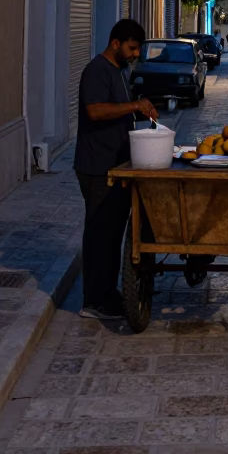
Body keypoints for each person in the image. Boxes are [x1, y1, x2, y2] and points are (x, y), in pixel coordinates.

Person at [73, 18, 157, 321]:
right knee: (99, 235)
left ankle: (108, 294)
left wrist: (140, 107)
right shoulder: (97, 70)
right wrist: (134, 107)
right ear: (116, 44)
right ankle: (93, 301)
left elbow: (119, 109)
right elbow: (95, 111)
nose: (136, 54)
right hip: (97, 166)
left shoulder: (119, 72)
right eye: (133, 48)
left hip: (115, 166)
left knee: (112, 236)